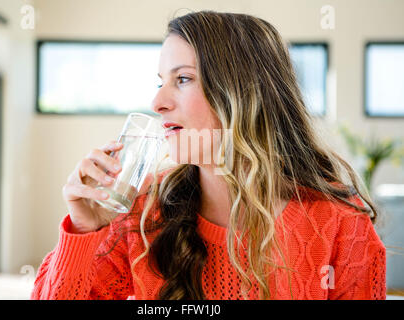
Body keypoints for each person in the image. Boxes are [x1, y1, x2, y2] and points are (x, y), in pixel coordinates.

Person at [31, 10, 386, 300]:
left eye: (182, 79)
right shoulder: (142, 212)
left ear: (244, 94)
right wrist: (84, 229)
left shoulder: (340, 223)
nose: (158, 102)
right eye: (161, 82)